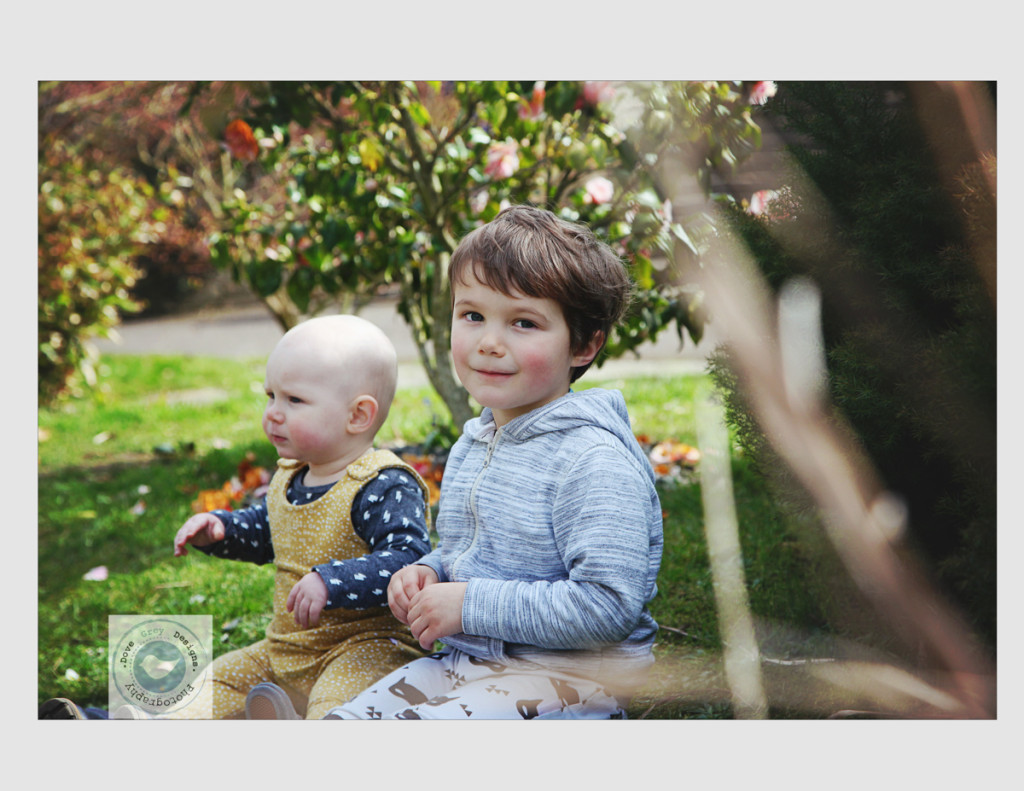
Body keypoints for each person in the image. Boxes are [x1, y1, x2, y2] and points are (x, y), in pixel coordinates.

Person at [246, 205, 663, 720]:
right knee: (348, 717)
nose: (489, 341)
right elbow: (470, 554)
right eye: (472, 315)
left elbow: (607, 608)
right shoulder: (477, 440)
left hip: (569, 680)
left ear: (583, 344)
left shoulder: (592, 460)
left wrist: (466, 604)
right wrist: (429, 570)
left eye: (524, 322)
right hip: (469, 660)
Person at [169, 314, 432, 719]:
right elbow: (269, 529)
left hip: (366, 650)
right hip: (287, 651)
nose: (274, 412)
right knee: (212, 682)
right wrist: (222, 529)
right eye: (270, 395)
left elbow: (407, 558)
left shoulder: (382, 484)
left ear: (358, 415)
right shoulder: (291, 474)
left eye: (294, 400)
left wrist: (332, 581)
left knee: (337, 709)